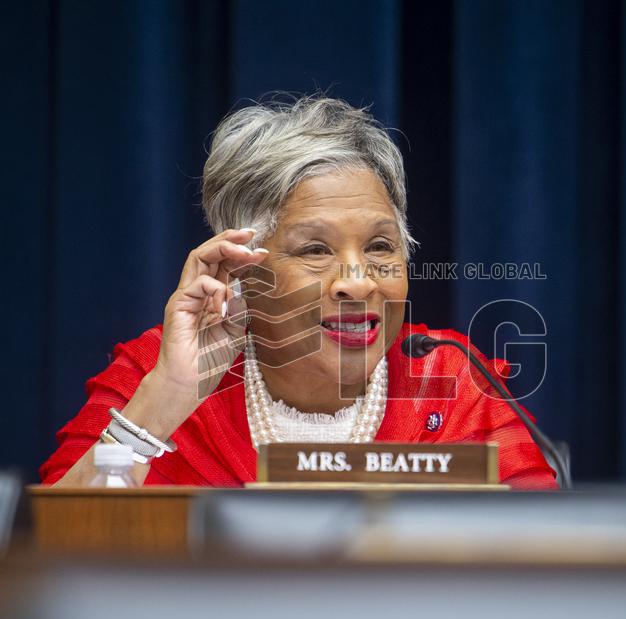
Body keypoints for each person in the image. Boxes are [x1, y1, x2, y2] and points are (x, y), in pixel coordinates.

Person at [40, 96, 557, 490]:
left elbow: (548, 564)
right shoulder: (156, 373)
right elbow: (47, 555)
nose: (357, 281)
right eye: (314, 250)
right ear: (241, 269)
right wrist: (168, 399)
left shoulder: (452, 379)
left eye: (380, 246)